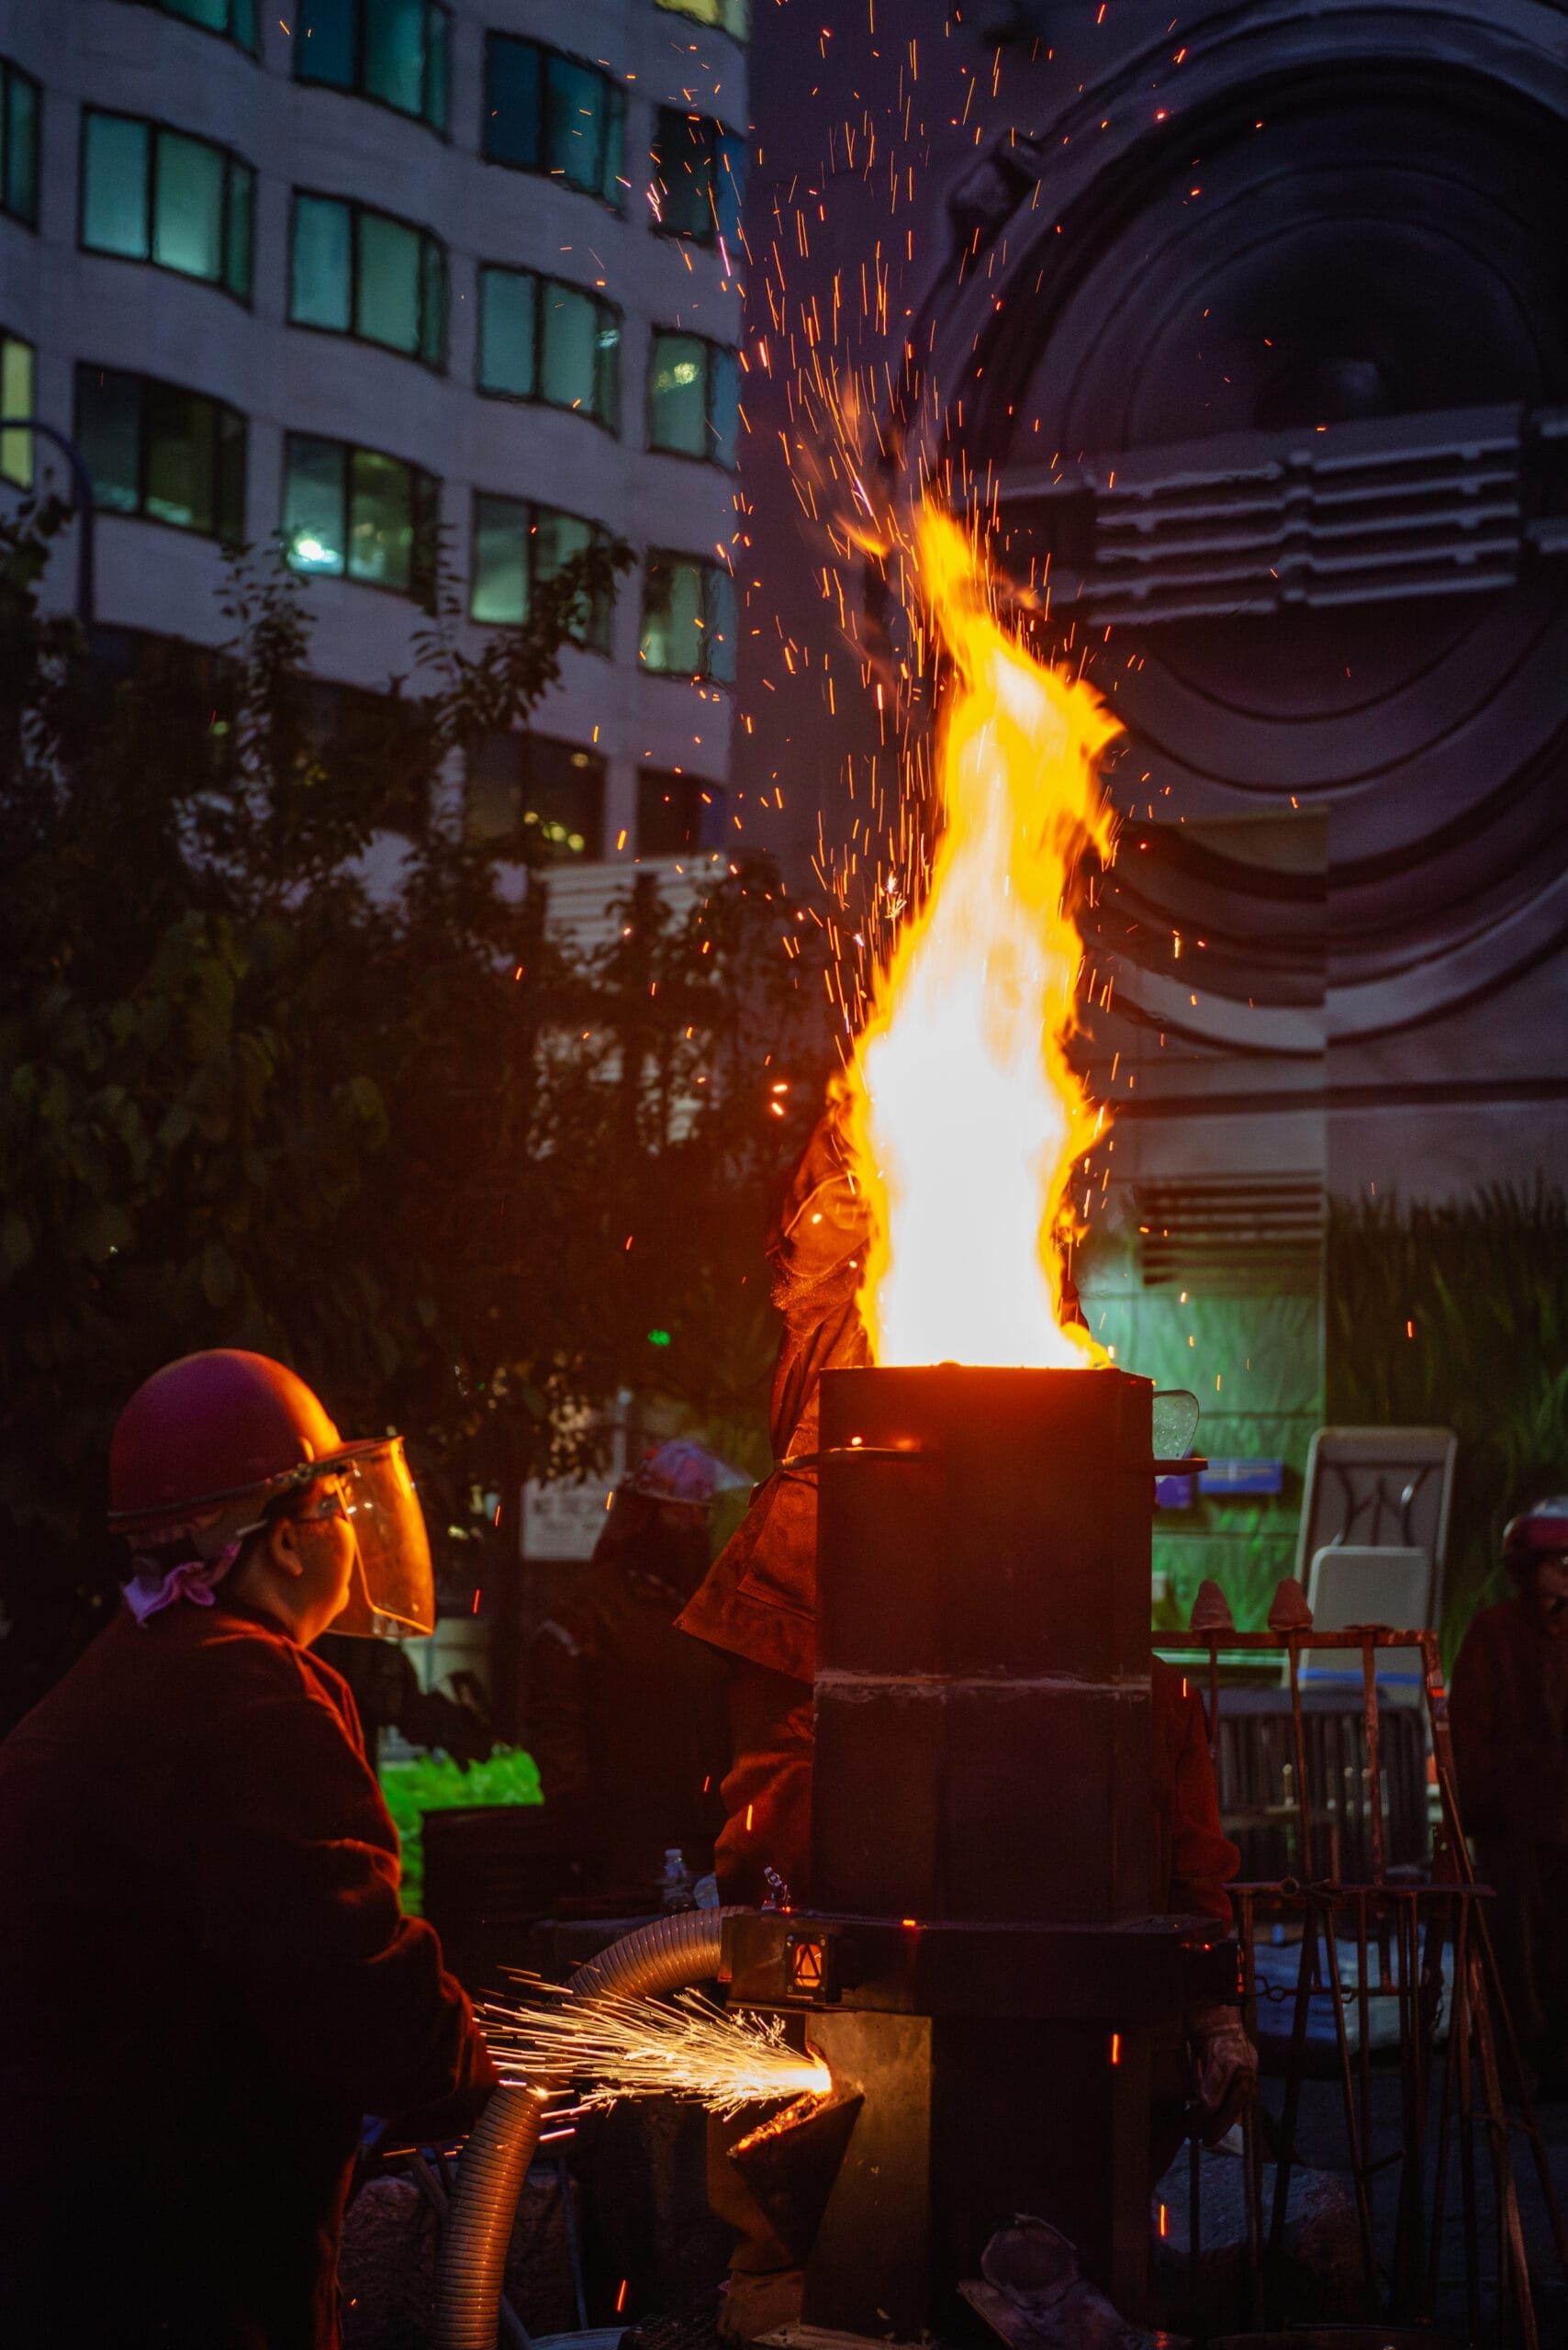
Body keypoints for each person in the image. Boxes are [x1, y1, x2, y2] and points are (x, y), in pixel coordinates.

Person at [676, 1101, 1253, 2341]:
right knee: (817, 2252)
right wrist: (868, 1129)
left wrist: (1212, 1998)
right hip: (846, 2036)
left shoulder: (1125, 1680)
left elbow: (1182, 1827)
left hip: (1058, 2052)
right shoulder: (861, 1349)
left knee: (1049, 2250)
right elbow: (815, 1268)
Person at [0, 1348, 497, 2350]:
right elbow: (354, 1987)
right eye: (333, 1511)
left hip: (62, 2261)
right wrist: (477, 2072)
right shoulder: (249, 1701)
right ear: (283, 1537)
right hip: (190, 2286)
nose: (351, 1537)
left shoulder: (111, 1681)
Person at [527, 1438, 744, 1899]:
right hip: (626, 1848)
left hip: (710, 1839)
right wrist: (577, 1811)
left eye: (703, 1514)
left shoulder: (711, 1612)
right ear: (645, 1518)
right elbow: (554, 1715)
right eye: (683, 1512)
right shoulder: (591, 1609)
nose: (696, 1525)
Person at [1450, 1496, 1568, 2095]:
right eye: (1557, 1560)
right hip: (1513, 1824)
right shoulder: (1494, 1632)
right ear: (1528, 1567)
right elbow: (1470, 1728)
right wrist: (1489, 1801)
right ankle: (1519, 2062)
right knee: (1513, 1951)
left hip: (1557, 1821)